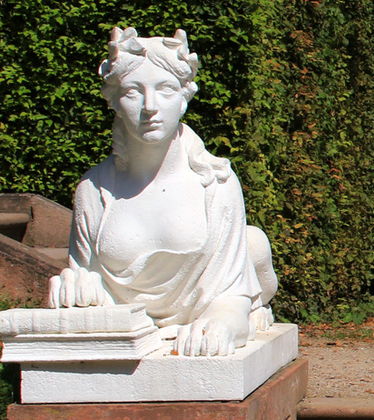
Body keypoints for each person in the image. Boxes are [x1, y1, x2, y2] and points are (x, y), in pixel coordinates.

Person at [47, 27, 276, 356]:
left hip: (221, 296)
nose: (150, 106)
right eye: (132, 92)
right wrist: (78, 285)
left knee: (254, 245)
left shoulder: (216, 184)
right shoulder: (92, 191)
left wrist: (224, 322)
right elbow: (88, 281)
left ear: (184, 98)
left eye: (165, 90)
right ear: (113, 100)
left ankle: (261, 301)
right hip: (134, 327)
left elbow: (229, 298)